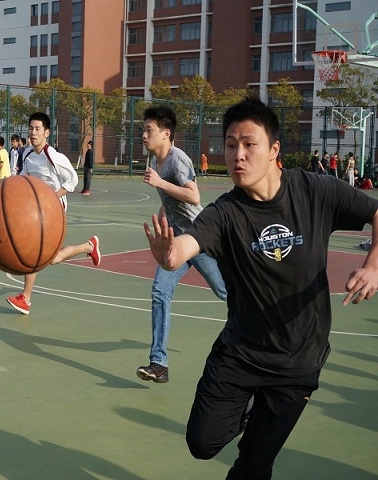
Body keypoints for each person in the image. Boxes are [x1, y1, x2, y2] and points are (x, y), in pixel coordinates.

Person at [143, 96, 378, 479]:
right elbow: (188, 244)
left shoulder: (315, 191)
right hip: (241, 353)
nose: (238, 155)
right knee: (201, 442)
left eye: (249, 144)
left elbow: (375, 211)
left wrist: (373, 266)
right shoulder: (225, 212)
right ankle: (252, 406)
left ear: (273, 150)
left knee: (254, 463)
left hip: (298, 362)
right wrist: (170, 254)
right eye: (230, 145)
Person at [136, 105, 226, 384]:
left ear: (166, 133)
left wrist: (161, 184)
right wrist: (163, 216)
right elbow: (171, 201)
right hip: (177, 239)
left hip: (199, 238)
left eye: (148, 130)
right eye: (143, 130)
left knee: (226, 291)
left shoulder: (177, 160)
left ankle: (264, 320)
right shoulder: (157, 162)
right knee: (160, 291)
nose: (143, 135)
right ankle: (159, 364)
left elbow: (194, 196)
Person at [5, 112, 102, 315]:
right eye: (31, 128)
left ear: (47, 133)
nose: (33, 132)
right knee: (46, 256)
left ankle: (26, 298)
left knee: (40, 254)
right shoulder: (27, 154)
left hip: (54, 210)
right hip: (37, 209)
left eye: (37, 129)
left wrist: (52, 197)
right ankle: (89, 246)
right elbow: (24, 177)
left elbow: (73, 180)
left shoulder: (54, 156)